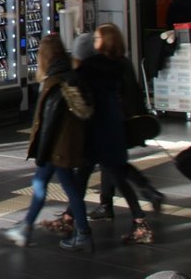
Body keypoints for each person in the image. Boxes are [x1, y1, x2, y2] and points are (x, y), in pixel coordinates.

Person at [43, 32, 164, 241]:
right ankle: (70, 217)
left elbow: (81, 103)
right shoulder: (114, 66)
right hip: (112, 129)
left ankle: (139, 223)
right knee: (109, 175)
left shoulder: (85, 72)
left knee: (98, 177)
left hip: (97, 133)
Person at [2, 34, 94, 251]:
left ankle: (83, 234)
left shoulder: (53, 83)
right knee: (41, 185)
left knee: (63, 189)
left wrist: (40, 154)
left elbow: (48, 125)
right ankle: (26, 227)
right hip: (65, 145)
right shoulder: (70, 75)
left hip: (56, 149)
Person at [74, 23, 154, 245]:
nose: (95, 41)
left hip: (97, 128)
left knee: (83, 175)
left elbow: (74, 86)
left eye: (98, 37)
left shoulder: (91, 66)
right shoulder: (121, 64)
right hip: (114, 126)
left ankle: (74, 221)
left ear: (105, 41)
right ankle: (140, 218)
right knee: (117, 174)